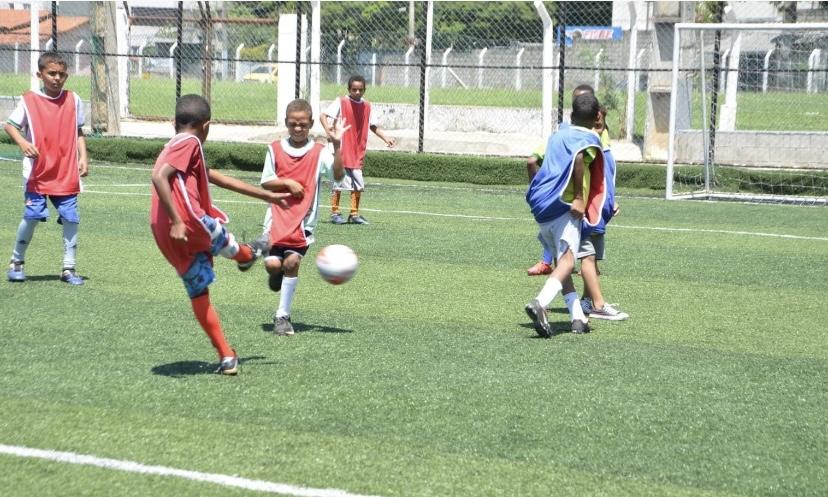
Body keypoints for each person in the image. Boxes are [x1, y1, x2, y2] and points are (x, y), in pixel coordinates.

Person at [150, 94, 288, 375]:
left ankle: (227, 357)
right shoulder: (189, 142)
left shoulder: (174, 144)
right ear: (207, 126)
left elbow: (214, 177)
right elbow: (159, 176)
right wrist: (178, 220)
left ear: (172, 123)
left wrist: (264, 195)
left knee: (198, 292)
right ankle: (250, 254)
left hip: (162, 232)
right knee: (222, 239)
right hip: (189, 222)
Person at [260, 99, 348, 336]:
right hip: (275, 220)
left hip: (303, 224)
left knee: (292, 262)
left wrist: (337, 145)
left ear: (310, 123)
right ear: (286, 123)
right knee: (273, 265)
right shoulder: (275, 148)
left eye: (302, 124)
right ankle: (275, 273)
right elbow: (266, 181)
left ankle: (282, 317)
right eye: (292, 124)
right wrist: (287, 182)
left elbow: (338, 177)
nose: (297, 129)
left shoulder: (319, 152)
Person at [524, 93, 606, 337]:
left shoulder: (558, 134)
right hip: (565, 207)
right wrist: (580, 198)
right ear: (598, 117)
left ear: (571, 115)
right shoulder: (587, 137)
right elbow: (579, 157)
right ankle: (541, 302)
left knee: (562, 263)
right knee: (569, 262)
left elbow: (531, 161)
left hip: (543, 208)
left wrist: (538, 191)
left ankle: (577, 318)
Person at [4, 52, 89, 285]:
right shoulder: (29, 101)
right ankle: (16, 262)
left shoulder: (74, 99)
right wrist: (23, 143)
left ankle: (69, 269)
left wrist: (84, 157)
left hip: (65, 172)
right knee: (32, 216)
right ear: (40, 74)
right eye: (52, 73)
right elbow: (10, 126)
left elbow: (78, 131)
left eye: (62, 74)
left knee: (71, 218)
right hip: (37, 173)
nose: (57, 78)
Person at [526, 84, 596, 277]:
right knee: (576, 254)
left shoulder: (565, 133)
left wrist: (537, 192)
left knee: (567, 250)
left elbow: (532, 161)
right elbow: (534, 160)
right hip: (571, 201)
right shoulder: (580, 135)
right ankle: (584, 295)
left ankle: (572, 286)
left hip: (561, 202)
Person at [320, 74, 395, 225]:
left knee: (358, 183)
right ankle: (335, 213)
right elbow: (323, 116)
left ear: (364, 90)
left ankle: (354, 214)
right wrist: (329, 131)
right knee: (338, 181)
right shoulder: (341, 102)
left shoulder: (367, 106)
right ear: (349, 89)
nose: (357, 93)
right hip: (340, 149)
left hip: (357, 150)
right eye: (354, 89)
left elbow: (372, 126)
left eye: (360, 90)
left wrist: (385, 137)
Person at [578, 107, 629, 321]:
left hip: (599, 212)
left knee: (594, 258)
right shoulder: (586, 147)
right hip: (586, 212)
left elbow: (603, 180)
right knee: (587, 258)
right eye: (594, 122)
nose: (598, 126)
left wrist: (610, 201)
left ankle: (586, 301)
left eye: (601, 123)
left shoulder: (602, 143)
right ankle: (598, 305)